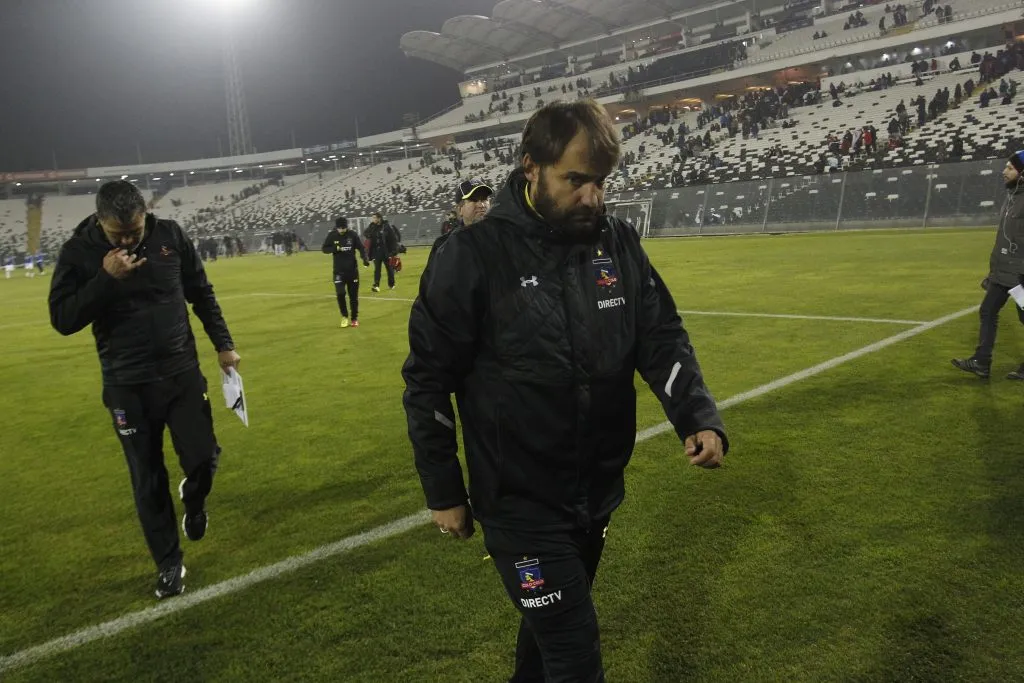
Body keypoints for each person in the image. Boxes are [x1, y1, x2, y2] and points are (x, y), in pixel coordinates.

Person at [402, 100, 727, 681]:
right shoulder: (472, 256)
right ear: (531, 168)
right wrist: (443, 487)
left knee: (543, 647)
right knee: (575, 653)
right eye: (575, 180)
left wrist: (695, 415)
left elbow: (660, 337)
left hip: (596, 493)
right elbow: (428, 377)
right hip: (519, 502)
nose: (591, 197)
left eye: (599, 182)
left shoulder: (618, 245)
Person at [48, 180, 240, 599]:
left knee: (204, 457)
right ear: (100, 222)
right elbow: (62, 318)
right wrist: (104, 279)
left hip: (181, 374)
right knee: (147, 477)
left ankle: (194, 497)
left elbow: (200, 293)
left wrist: (224, 344)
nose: (129, 240)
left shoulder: (170, 236)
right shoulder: (78, 253)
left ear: (145, 213)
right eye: (119, 236)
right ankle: (169, 563)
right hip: (126, 386)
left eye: (134, 230)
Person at [953, 151, 1024, 380]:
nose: (1004, 171)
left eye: (1010, 168)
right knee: (988, 310)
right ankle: (981, 362)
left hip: (1021, 274)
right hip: (1003, 271)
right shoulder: (1011, 197)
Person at [321, 216, 369, 328]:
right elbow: (324, 249)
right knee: (340, 293)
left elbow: (361, 248)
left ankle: (354, 319)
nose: (342, 230)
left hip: (352, 271)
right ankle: (344, 316)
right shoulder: (332, 235)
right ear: (336, 227)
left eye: (344, 228)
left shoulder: (352, 235)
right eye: (340, 228)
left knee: (353, 297)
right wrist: (335, 249)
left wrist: (365, 259)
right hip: (338, 272)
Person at [365, 212, 399, 292]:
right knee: (377, 269)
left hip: (386, 251)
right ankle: (376, 285)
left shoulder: (386, 226)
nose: (373, 219)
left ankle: (391, 284)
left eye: (374, 218)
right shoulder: (372, 226)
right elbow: (366, 233)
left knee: (389, 268)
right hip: (376, 252)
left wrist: (393, 251)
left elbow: (393, 239)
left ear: (379, 218)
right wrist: (369, 235)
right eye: (372, 218)